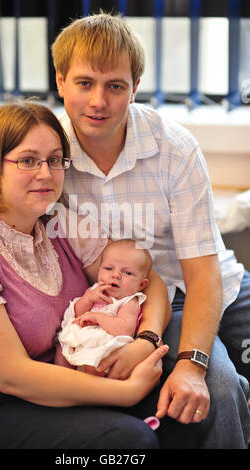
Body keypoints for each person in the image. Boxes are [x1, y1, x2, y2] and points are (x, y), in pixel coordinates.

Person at [0, 100, 201, 449]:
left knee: (183, 410)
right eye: (27, 160)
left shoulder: (57, 220)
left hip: (59, 379)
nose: (45, 173)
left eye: (55, 160)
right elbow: (11, 375)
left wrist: (146, 341)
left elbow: (149, 278)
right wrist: (125, 391)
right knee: (129, 441)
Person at [51, 12, 250, 448]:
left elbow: (202, 275)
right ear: (61, 81)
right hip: (111, 302)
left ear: (135, 88)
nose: (99, 101)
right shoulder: (49, 154)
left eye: (115, 86)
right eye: (84, 83)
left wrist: (192, 365)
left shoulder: (174, 149)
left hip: (188, 289)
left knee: (217, 389)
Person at [57, 239, 153, 375]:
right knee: (62, 348)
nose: (116, 275)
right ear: (99, 271)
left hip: (103, 345)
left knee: (95, 365)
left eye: (127, 273)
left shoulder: (129, 302)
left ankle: (88, 388)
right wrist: (88, 299)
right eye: (108, 268)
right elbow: (77, 313)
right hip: (80, 337)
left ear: (141, 284)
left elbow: (124, 330)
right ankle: (61, 380)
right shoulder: (95, 290)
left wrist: (97, 317)